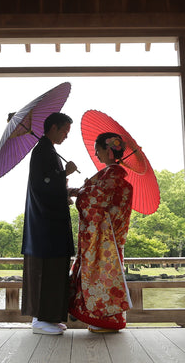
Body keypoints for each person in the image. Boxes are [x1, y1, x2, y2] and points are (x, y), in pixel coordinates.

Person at [68, 132, 134, 332]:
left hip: (105, 239)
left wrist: (81, 192)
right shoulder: (113, 176)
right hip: (112, 237)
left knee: (102, 277)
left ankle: (107, 321)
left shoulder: (112, 175)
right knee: (108, 278)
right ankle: (109, 320)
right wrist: (82, 189)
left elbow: (96, 200)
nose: (96, 155)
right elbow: (96, 194)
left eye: (98, 150)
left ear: (108, 150)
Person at [21, 112, 77, 335]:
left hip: (51, 223)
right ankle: (39, 319)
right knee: (44, 270)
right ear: (53, 127)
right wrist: (65, 172)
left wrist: (64, 191)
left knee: (55, 269)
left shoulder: (48, 150)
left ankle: (50, 317)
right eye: (64, 131)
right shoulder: (41, 151)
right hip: (44, 226)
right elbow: (41, 185)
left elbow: (50, 185)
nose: (65, 136)